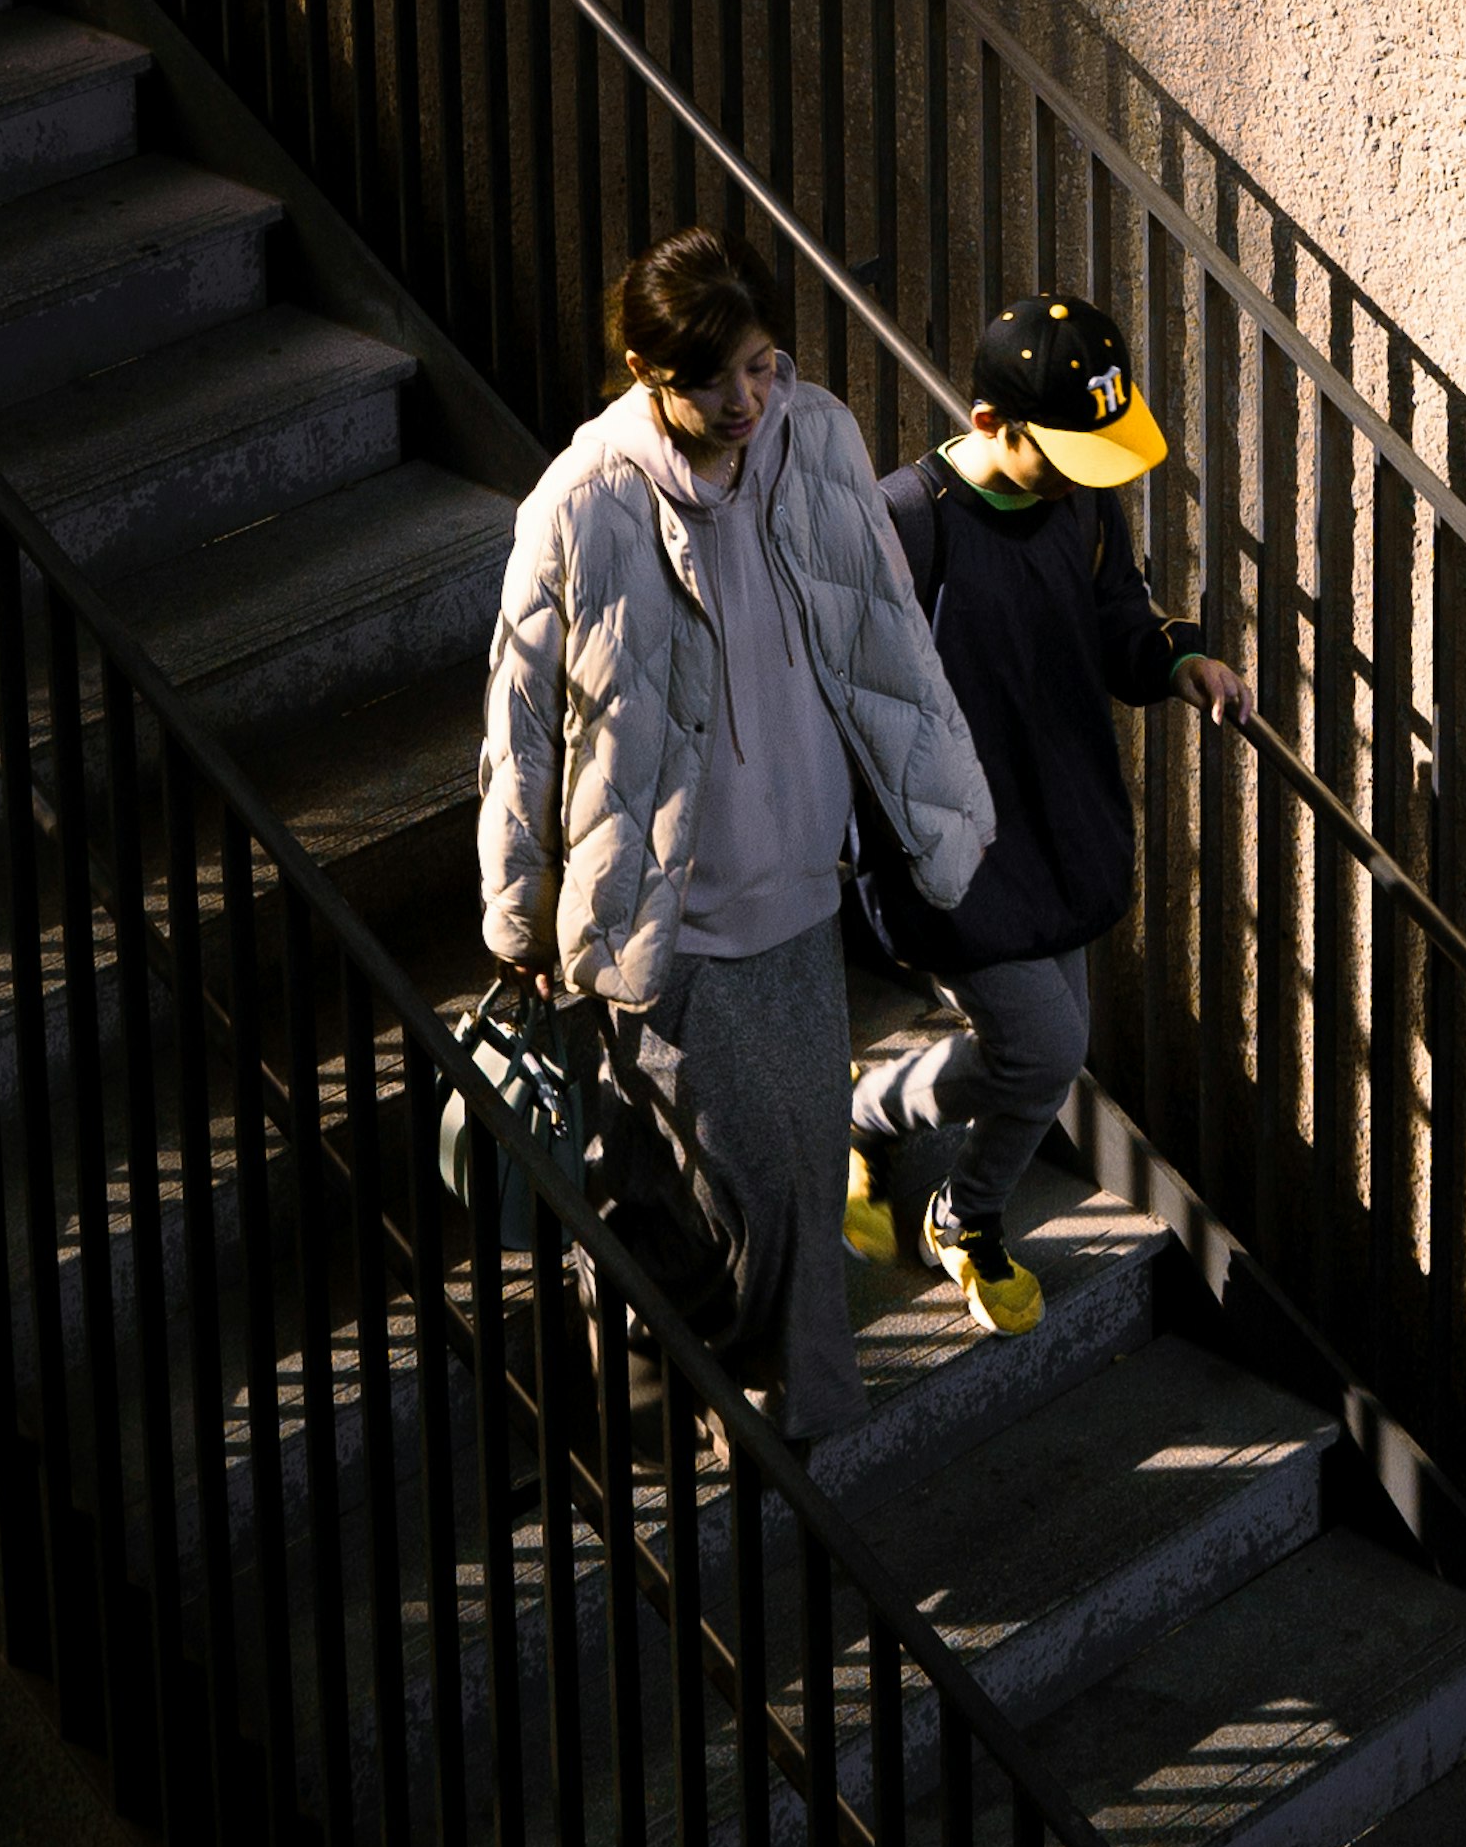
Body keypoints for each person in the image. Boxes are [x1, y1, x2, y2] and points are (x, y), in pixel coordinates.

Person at [477, 228, 994, 1447]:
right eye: (720, 380)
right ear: (647, 368)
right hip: (665, 911)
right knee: (719, 1187)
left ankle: (785, 1416)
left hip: (798, 888)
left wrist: (945, 811)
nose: (752, 399)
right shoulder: (581, 501)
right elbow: (518, 719)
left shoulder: (812, 439)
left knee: (799, 1170)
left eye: (765, 365)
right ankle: (686, 1396)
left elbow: (886, 639)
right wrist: (516, 907)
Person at [849, 294, 1254, 1335]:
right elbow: (852, 695)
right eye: (1068, 448)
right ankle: (965, 1214)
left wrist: (1181, 659)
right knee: (1041, 1049)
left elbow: (1120, 618)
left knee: (1044, 1049)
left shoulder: (1080, 503)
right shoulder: (906, 519)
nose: (1090, 473)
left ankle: (865, 1111)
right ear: (991, 423)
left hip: (1056, 818)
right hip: (954, 844)